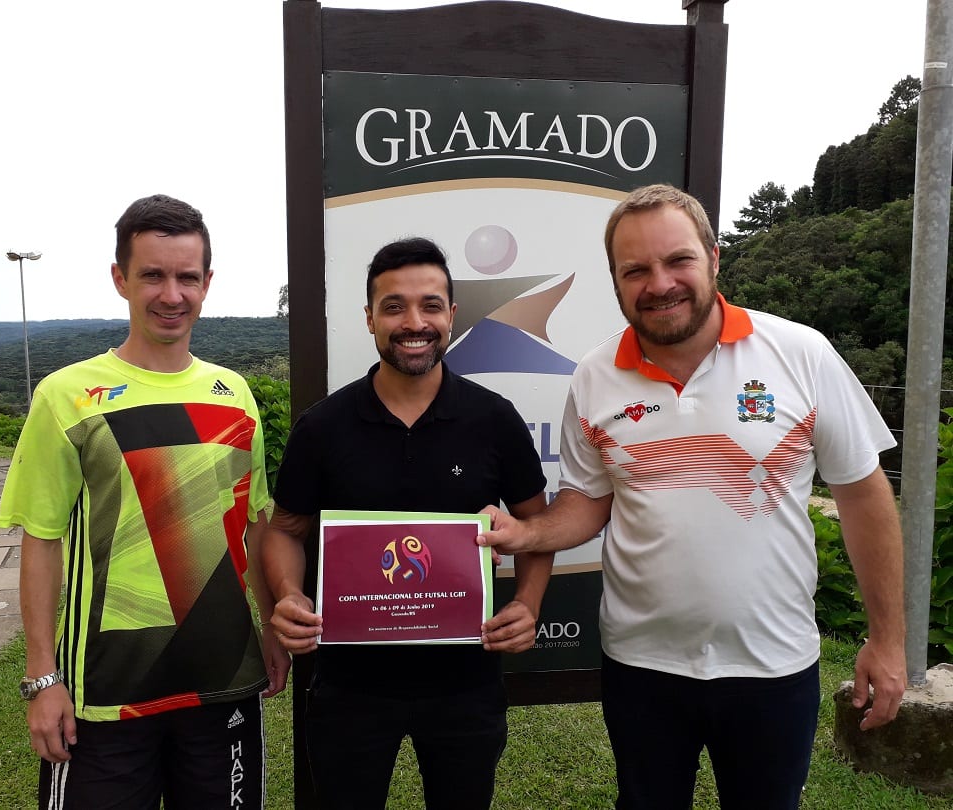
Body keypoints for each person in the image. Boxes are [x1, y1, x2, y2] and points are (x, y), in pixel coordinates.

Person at [479, 184, 907, 810]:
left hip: (773, 665)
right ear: (616, 281)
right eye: (636, 270)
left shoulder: (800, 353)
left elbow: (865, 497)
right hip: (640, 665)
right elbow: (588, 501)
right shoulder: (595, 376)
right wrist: (526, 535)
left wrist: (888, 640)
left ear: (713, 258)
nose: (659, 283)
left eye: (677, 260)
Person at [0, 194, 288, 809]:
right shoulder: (65, 396)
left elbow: (254, 525)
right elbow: (43, 542)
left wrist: (270, 628)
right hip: (105, 692)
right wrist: (42, 678)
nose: (171, 294)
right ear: (119, 278)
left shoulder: (235, 395)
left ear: (208, 284)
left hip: (222, 681)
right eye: (152, 274)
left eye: (187, 277)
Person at [262, 237, 554, 809]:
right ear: (369, 318)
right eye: (393, 306)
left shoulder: (493, 419)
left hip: (465, 682)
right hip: (348, 682)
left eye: (430, 305)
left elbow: (536, 524)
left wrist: (529, 602)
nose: (412, 322)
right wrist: (288, 594)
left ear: (452, 315)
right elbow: (286, 528)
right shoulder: (322, 427)